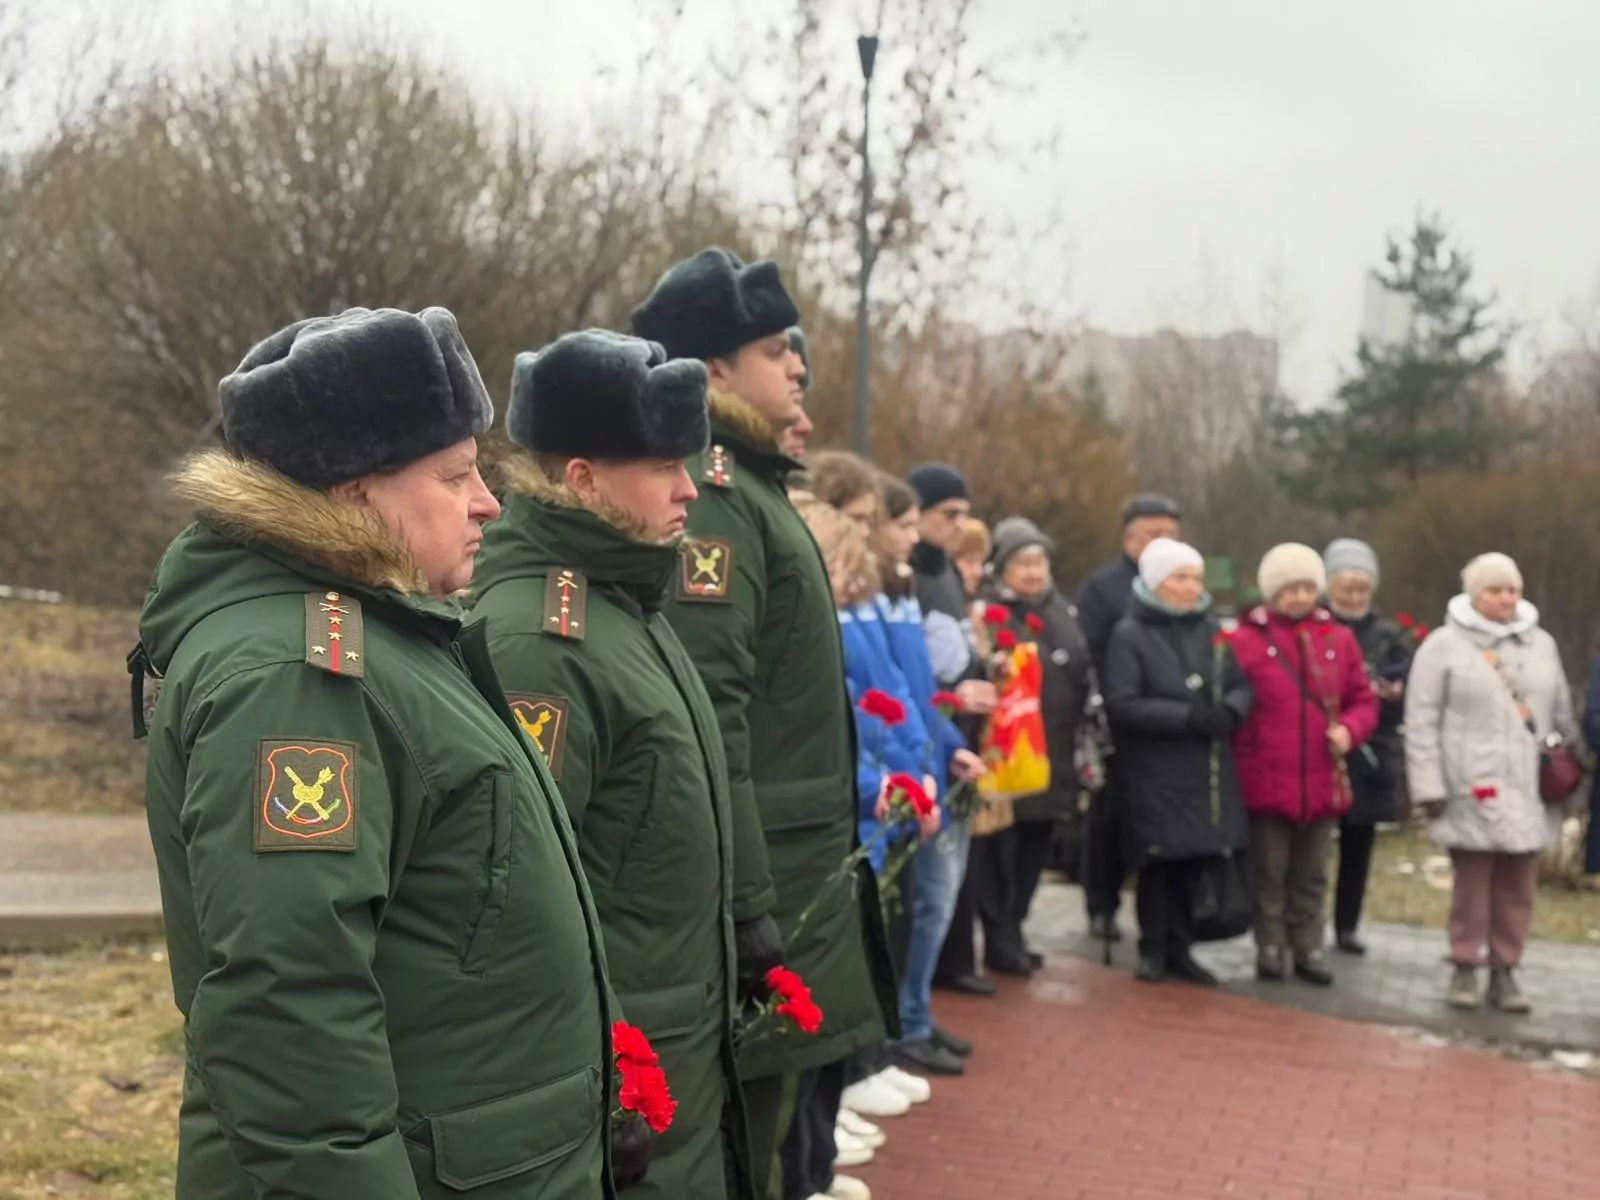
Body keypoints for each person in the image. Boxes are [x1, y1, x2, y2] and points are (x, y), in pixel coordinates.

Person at [131, 308, 625, 1199]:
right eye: (457, 475)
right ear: (358, 495)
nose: (489, 502)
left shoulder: (391, 637)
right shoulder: (297, 673)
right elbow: (288, 1009)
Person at [632, 249, 896, 1200]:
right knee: (756, 1133)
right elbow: (713, 718)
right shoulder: (716, 496)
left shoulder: (748, 484)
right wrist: (749, 902)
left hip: (792, 867)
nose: (796, 365)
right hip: (769, 873)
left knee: (778, 1126)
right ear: (708, 372)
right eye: (775, 349)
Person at [471, 331, 750, 1199]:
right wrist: (613, 1071)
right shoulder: (541, 643)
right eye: (662, 465)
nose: (689, 486)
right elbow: (519, 901)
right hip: (624, 1060)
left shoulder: (626, 606)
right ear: (583, 479)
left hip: (677, 1037)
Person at [1404, 553, 1579, 1012]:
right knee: (1472, 884)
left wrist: (1573, 767)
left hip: (1527, 787)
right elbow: (1420, 720)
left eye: (1513, 590)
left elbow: (1560, 713)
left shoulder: (1542, 645)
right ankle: (1465, 965)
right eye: (1496, 590)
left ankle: (1506, 971)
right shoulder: (1443, 646)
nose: (1506, 598)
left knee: (1519, 887)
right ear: (1474, 594)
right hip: (1468, 785)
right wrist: (1428, 786)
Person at [870, 474, 985, 1073]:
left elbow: (911, 692)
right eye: (908, 523)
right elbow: (879, 695)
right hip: (893, 781)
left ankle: (913, 1015)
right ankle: (897, 1027)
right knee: (918, 905)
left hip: (926, 765)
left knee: (931, 904)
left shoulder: (908, 590)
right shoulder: (878, 600)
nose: (916, 537)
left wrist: (944, 740)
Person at [1229, 543, 1379, 986]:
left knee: (1312, 872)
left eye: (1308, 588)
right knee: (1269, 870)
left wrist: (1351, 729)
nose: (1300, 597)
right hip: (1266, 775)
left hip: (1321, 777)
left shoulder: (1338, 639)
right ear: (1272, 592)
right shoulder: (1245, 642)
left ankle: (1308, 946)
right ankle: (1270, 945)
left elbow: (1362, 699)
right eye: (1290, 589)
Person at [1104, 538, 1251, 985]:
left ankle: (1182, 946)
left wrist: (1231, 709)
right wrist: (1186, 717)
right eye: (1180, 577)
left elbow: (1242, 682)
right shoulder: (1130, 634)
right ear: (1155, 582)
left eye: (1195, 578)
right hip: (1155, 768)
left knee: (1195, 859)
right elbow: (1123, 702)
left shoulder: (1210, 630)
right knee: (1159, 863)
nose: (1190, 587)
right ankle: (1153, 947)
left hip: (1204, 767)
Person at [977, 517, 1096, 976]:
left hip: (1056, 748)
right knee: (1002, 847)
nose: (1032, 572)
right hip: (1010, 750)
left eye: (1039, 561)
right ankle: (998, 932)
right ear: (1002, 568)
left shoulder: (1061, 611)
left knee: (1036, 844)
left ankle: (1016, 925)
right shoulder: (990, 612)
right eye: (1022, 562)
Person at [907, 466, 998, 996]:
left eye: (966, 514)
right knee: (930, 895)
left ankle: (920, 1013)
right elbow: (906, 670)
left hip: (957, 742)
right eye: (950, 514)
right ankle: (909, 1018)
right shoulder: (909, 574)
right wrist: (950, 698)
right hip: (924, 744)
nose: (960, 525)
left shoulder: (943, 572)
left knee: (947, 891)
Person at [1075, 494, 1182, 940]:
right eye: (1155, 534)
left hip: (1168, 726)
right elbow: (1090, 652)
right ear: (1130, 536)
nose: (1164, 543)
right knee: (1109, 821)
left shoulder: (1180, 582)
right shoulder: (1103, 589)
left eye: (1171, 536)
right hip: (1117, 724)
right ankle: (1102, 902)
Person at [1322, 538, 1413, 956]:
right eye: (1347, 587)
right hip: (1323, 748)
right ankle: (1303, 925)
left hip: (1372, 749)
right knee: (1312, 847)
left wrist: (1394, 694)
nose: (1356, 597)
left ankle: (1347, 924)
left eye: (1363, 588)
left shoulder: (1389, 634)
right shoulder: (1316, 627)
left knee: (1359, 845)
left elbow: (1409, 686)